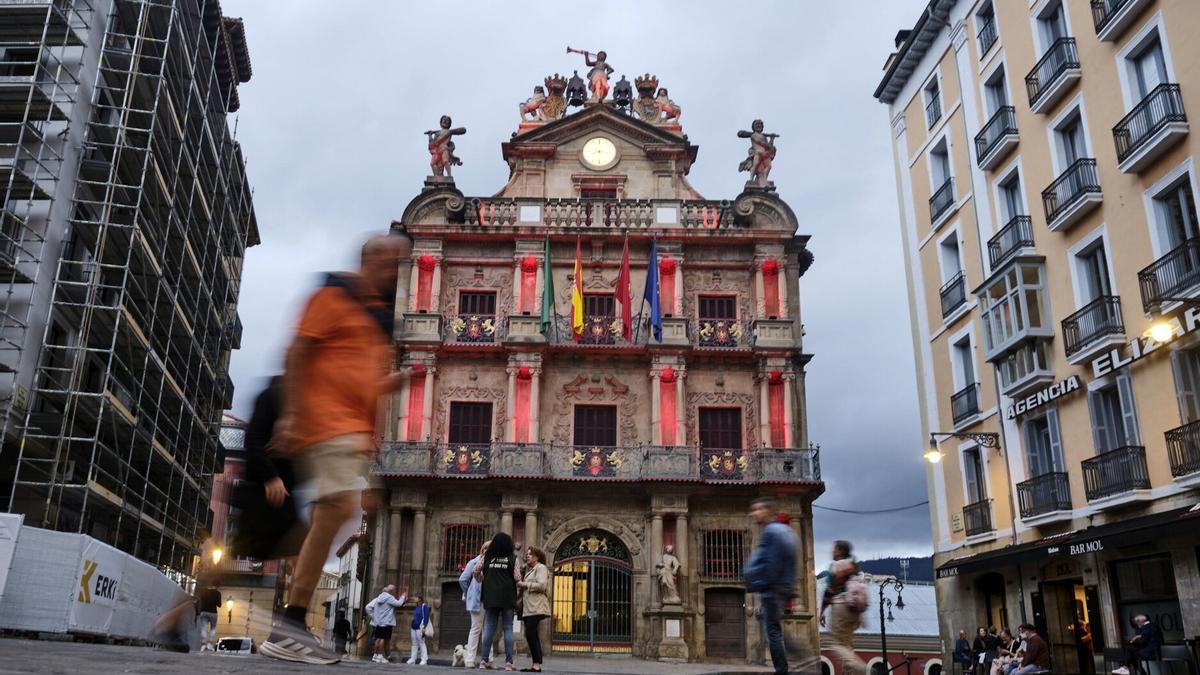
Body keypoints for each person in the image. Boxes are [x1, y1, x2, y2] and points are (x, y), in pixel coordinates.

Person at [260, 233, 413, 665]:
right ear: (371, 259)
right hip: (327, 421)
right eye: (391, 263)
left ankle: (290, 616)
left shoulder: (378, 318)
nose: (396, 272)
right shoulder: (333, 295)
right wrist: (289, 414)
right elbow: (298, 350)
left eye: (401, 265)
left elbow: (363, 380)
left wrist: (392, 385)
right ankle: (289, 626)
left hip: (350, 430)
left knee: (336, 511)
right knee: (340, 507)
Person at [745, 497, 815, 675]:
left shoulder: (771, 532)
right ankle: (804, 658)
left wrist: (761, 583)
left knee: (772, 633)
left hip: (772, 588)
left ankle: (783, 669)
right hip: (783, 587)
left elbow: (772, 563)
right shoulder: (787, 532)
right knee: (776, 629)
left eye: (758, 510)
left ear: (767, 511)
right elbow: (791, 563)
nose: (755, 513)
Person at [820, 540, 867, 675]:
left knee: (836, 645)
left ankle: (861, 668)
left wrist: (822, 611)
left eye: (835, 549)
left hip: (840, 606)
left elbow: (829, 591)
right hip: (854, 610)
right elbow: (856, 592)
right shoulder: (853, 567)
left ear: (840, 551)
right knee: (847, 646)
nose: (832, 551)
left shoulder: (836, 566)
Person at [476, 532, 521, 671]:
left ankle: (483, 661)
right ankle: (509, 662)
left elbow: (475, 571)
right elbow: (517, 578)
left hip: (490, 597)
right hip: (507, 597)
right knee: (508, 627)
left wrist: (482, 579)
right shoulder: (513, 558)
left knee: (489, 627)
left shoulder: (487, 557)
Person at [517, 547, 550, 673]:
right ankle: (536, 664)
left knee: (531, 634)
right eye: (527, 554)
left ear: (538, 557)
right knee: (531, 634)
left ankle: (537, 664)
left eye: (531, 554)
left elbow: (542, 585)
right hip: (528, 607)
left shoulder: (541, 568)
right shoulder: (529, 569)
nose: (528, 556)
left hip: (536, 607)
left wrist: (525, 584)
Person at [459, 542, 489, 668]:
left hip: (489, 601)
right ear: (482, 549)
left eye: (490, 548)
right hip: (478, 601)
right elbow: (463, 579)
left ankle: (488, 660)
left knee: (488, 631)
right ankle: (470, 659)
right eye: (486, 548)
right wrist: (468, 593)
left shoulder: (492, 564)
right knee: (476, 629)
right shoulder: (474, 562)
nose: (487, 550)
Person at [366, 584, 408, 664]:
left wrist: (374, 617)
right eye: (394, 590)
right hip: (386, 622)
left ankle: (375, 656)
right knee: (383, 639)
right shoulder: (389, 598)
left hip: (378, 622)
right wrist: (403, 596)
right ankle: (380, 656)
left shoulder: (379, 597)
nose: (395, 591)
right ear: (391, 591)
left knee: (378, 638)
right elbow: (398, 603)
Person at [196, 581, 221, 652]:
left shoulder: (204, 592)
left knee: (204, 628)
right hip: (213, 612)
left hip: (203, 612)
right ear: (218, 586)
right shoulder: (218, 593)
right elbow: (219, 605)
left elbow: (199, 601)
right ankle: (210, 644)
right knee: (213, 628)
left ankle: (203, 644)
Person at [407, 594, 431, 665]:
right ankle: (413, 658)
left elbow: (426, 617)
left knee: (421, 643)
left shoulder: (424, 606)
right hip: (414, 626)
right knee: (414, 643)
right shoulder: (417, 606)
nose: (414, 599)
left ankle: (424, 659)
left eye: (415, 597)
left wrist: (424, 627)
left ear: (419, 599)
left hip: (420, 627)